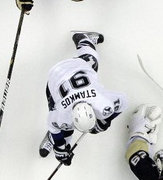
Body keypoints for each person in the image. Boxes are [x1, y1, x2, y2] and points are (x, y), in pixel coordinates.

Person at [39, 31, 127, 165]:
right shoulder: (63, 112)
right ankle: (84, 39)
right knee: (64, 128)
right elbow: (53, 126)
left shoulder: (101, 102)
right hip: (55, 77)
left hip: (78, 68)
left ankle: (84, 40)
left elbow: (123, 100)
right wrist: (60, 146)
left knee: (92, 58)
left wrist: (105, 120)